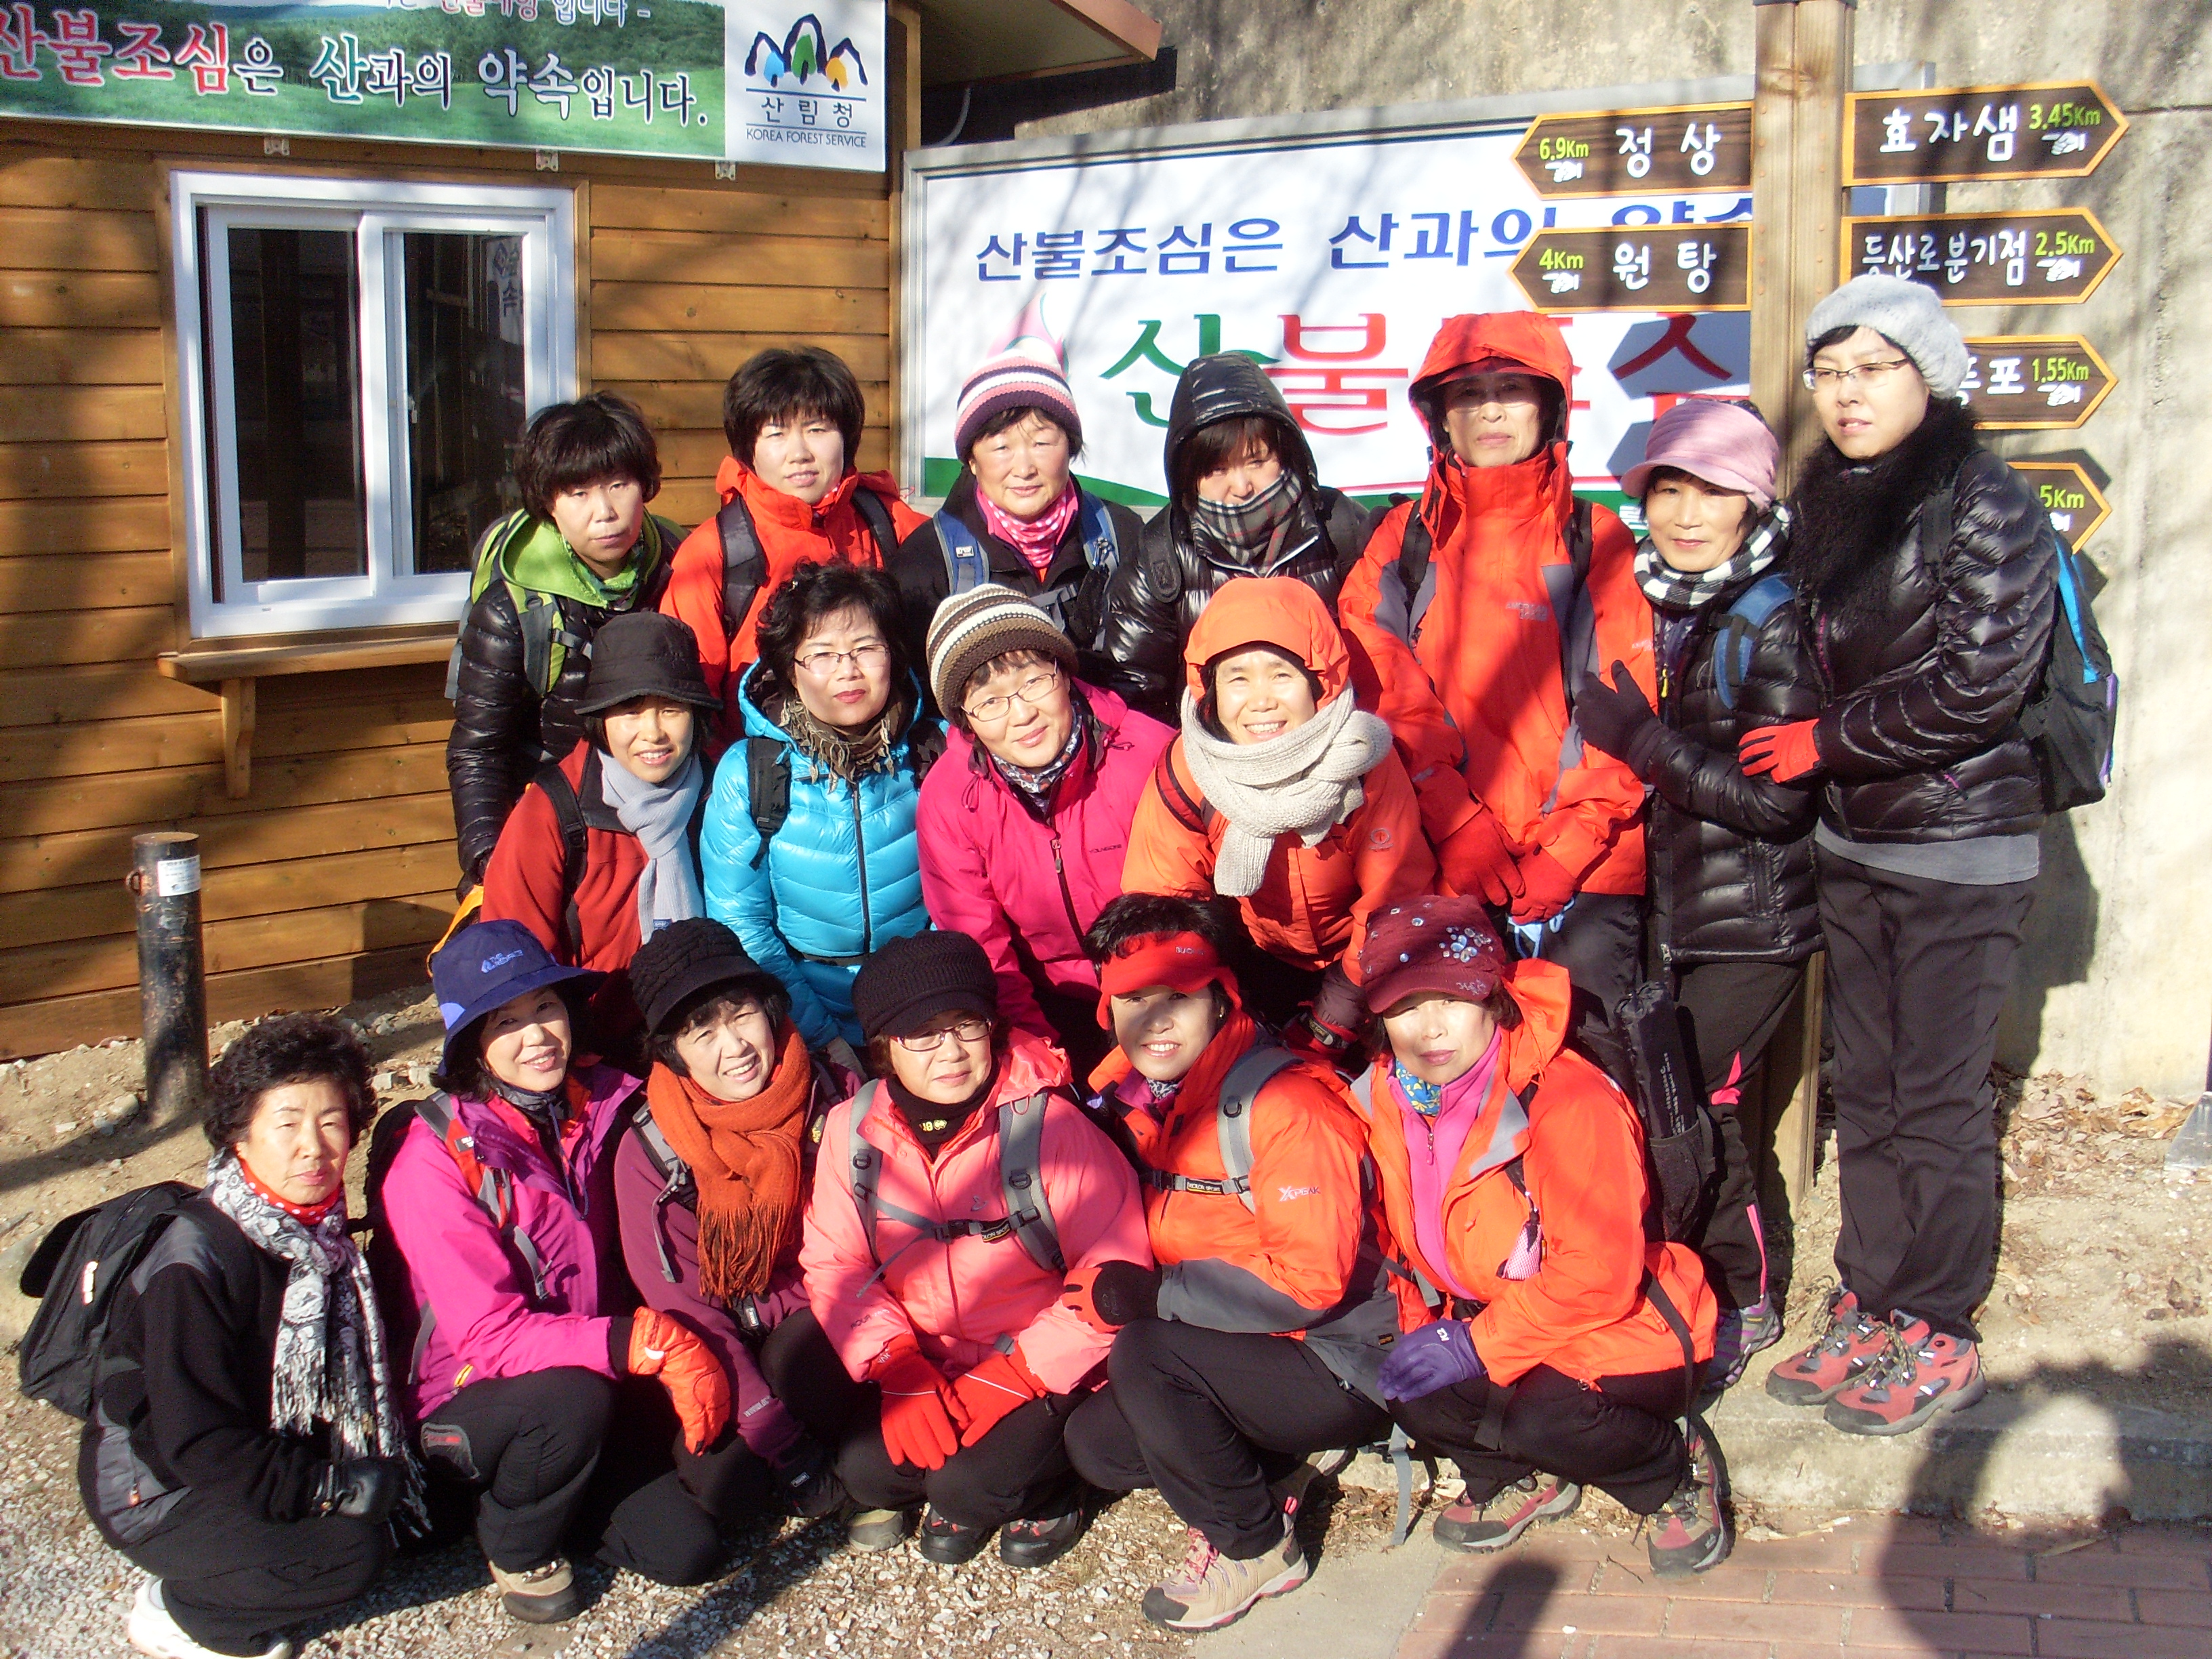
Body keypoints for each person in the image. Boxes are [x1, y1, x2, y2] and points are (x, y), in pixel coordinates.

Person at [1754, 276, 2054, 1436]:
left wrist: (1823, 741)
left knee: (1934, 1095)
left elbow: (1979, 684)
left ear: (1928, 376)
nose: (1847, 393)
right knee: (1868, 1088)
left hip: (1959, 848)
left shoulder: (1984, 501)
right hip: (1858, 838)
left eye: (1873, 369)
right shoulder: (1836, 495)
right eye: (1830, 372)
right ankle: (1872, 1297)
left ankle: (1938, 1324)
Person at [373, 922, 749, 1624]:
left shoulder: (610, 1100)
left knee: (689, 1549)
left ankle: (565, 1486)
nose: (537, 1035)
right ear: (472, 1043)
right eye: (505, 1021)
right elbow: (490, 1336)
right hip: (478, 1395)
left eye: (545, 1006)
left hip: (596, 1372)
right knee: (568, 1404)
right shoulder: (435, 1158)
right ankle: (515, 1541)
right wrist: (639, 1343)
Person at [1351, 898, 1725, 1576]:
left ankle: (1673, 1471)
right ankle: (1522, 1475)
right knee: (1407, 1386)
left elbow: (1599, 1277)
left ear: (1492, 994)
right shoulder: (1388, 1094)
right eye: (1405, 1007)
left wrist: (1474, 1346)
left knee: (1548, 1419)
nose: (1430, 1027)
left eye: (1451, 999)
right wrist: (1424, 1331)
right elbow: (1398, 1241)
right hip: (1498, 1313)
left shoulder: (1565, 1099)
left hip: (1625, 1317)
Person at [1570, 399, 1821, 1387]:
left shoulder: (1774, 617)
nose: (1685, 513)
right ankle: (1684, 1279)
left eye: (1712, 492)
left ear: (1751, 503)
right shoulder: (1659, 604)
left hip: (1755, 920)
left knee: (1696, 1098)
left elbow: (1773, 802)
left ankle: (1745, 1294)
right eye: (1668, 489)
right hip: (1674, 914)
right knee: (1662, 1095)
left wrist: (1642, 743)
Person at [1061, 897, 1397, 1633]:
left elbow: (1310, 1283)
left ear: (1221, 998)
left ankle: (1255, 1546)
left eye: (1177, 998)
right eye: (1133, 1001)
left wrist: (1158, 1296)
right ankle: (1281, 1467)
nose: (1155, 1022)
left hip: (1340, 1355)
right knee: (1099, 1448)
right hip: (1235, 1343)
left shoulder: (1287, 1105)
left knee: (1147, 1357)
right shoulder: (1139, 1099)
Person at [770, 932, 1149, 1566]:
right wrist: (896, 1363)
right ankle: (985, 1473)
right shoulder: (851, 1131)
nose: (950, 1051)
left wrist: (1022, 1372)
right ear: (885, 1046)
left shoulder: (1050, 1125)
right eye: (923, 1033)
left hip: (1040, 1362)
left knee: (965, 1488)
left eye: (966, 1025)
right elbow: (837, 1263)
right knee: (866, 1473)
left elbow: (1116, 1272)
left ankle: (1058, 1486)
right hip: (929, 1358)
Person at [1337, 313, 1649, 1076]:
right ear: (1440, 417)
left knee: (1588, 1079)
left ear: (1550, 407)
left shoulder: (1595, 537)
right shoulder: (1404, 540)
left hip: (1586, 873)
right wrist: (1454, 816)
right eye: (1468, 395)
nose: (1491, 411)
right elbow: (1379, 686)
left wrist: (1567, 851)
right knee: (1449, 1083)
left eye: (1512, 390)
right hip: (1440, 859)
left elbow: (1627, 707)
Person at [81, 1015, 413, 1659]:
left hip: (246, 1449)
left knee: (406, 1518)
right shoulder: (195, 1261)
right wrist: (324, 1487)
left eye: (332, 1122)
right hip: (160, 1484)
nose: (313, 1148)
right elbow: (195, 1441)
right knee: (351, 1552)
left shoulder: (315, 1235)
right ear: (240, 1133)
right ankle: (184, 1614)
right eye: (287, 1124)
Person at [1120, 575, 1433, 1053]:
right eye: (1238, 679)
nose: (1261, 700)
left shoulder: (1361, 757)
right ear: (1211, 689)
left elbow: (1395, 898)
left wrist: (1335, 1014)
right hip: (1251, 954)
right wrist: (1205, 1005)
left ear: (1318, 682)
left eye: (1281, 675)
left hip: (1366, 960)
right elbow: (1165, 896)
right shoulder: (1190, 769)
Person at [613, 918, 855, 1523]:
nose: (735, 1047)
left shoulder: (834, 1092)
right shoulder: (651, 1149)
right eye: (703, 1032)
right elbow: (683, 1304)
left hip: (827, 1316)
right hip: (726, 1336)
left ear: (769, 1012)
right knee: (729, 1490)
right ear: (673, 1052)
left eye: (742, 1015)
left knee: (802, 1359)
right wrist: (773, 1433)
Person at [916, 585, 1174, 1078]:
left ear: (1064, 673)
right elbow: (981, 946)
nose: (1022, 714)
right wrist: (1035, 1050)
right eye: (989, 702)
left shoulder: (1149, 754)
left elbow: (1191, 903)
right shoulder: (950, 797)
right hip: (1045, 1000)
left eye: (1034, 681)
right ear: (965, 721)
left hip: (1162, 986)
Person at [447, 392, 683, 888]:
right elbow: (479, 751)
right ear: (549, 504)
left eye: (618, 484)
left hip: (669, 823)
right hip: (557, 833)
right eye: (578, 493)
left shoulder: (683, 567)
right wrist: (494, 864)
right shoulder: (514, 607)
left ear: (644, 485)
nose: (605, 512)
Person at [699, 561, 935, 1052]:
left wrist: (928, 1003)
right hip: (803, 1011)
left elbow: (965, 899)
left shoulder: (935, 752)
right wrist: (821, 1038)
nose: (848, 671)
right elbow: (741, 922)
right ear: (790, 668)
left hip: (926, 1001)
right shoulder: (752, 771)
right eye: (822, 654)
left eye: (866, 648)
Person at [480, 611, 722, 1064]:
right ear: (601, 719)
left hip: (712, 1036)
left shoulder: (722, 793)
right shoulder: (554, 808)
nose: (653, 733)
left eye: (671, 709)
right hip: (593, 1051)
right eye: (630, 711)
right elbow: (514, 955)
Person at [660, 347, 928, 745]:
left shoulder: (891, 525)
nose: (800, 453)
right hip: (762, 768)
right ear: (748, 448)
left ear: (847, 437)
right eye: (776, 433)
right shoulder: (714, 554)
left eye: (817, 429)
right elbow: (685, 697)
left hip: (892, 760)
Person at [1095, 354, 1374, 724]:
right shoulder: (1161, 553)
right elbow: (1135, 690)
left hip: (1335, 739)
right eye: (1218, 470)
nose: (1242, 487)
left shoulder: (1337, 526)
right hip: (1212, 748)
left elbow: (1383, 660)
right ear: (1188, 475)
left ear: (1286, 453)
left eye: (1257, 462)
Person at [888, 304, 1144, 686]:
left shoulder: (1123, 534)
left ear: (1070, 448)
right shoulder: (927, 561)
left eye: (1041, 443)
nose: (1024, 468)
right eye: (1001, 447)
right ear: (972, 460)